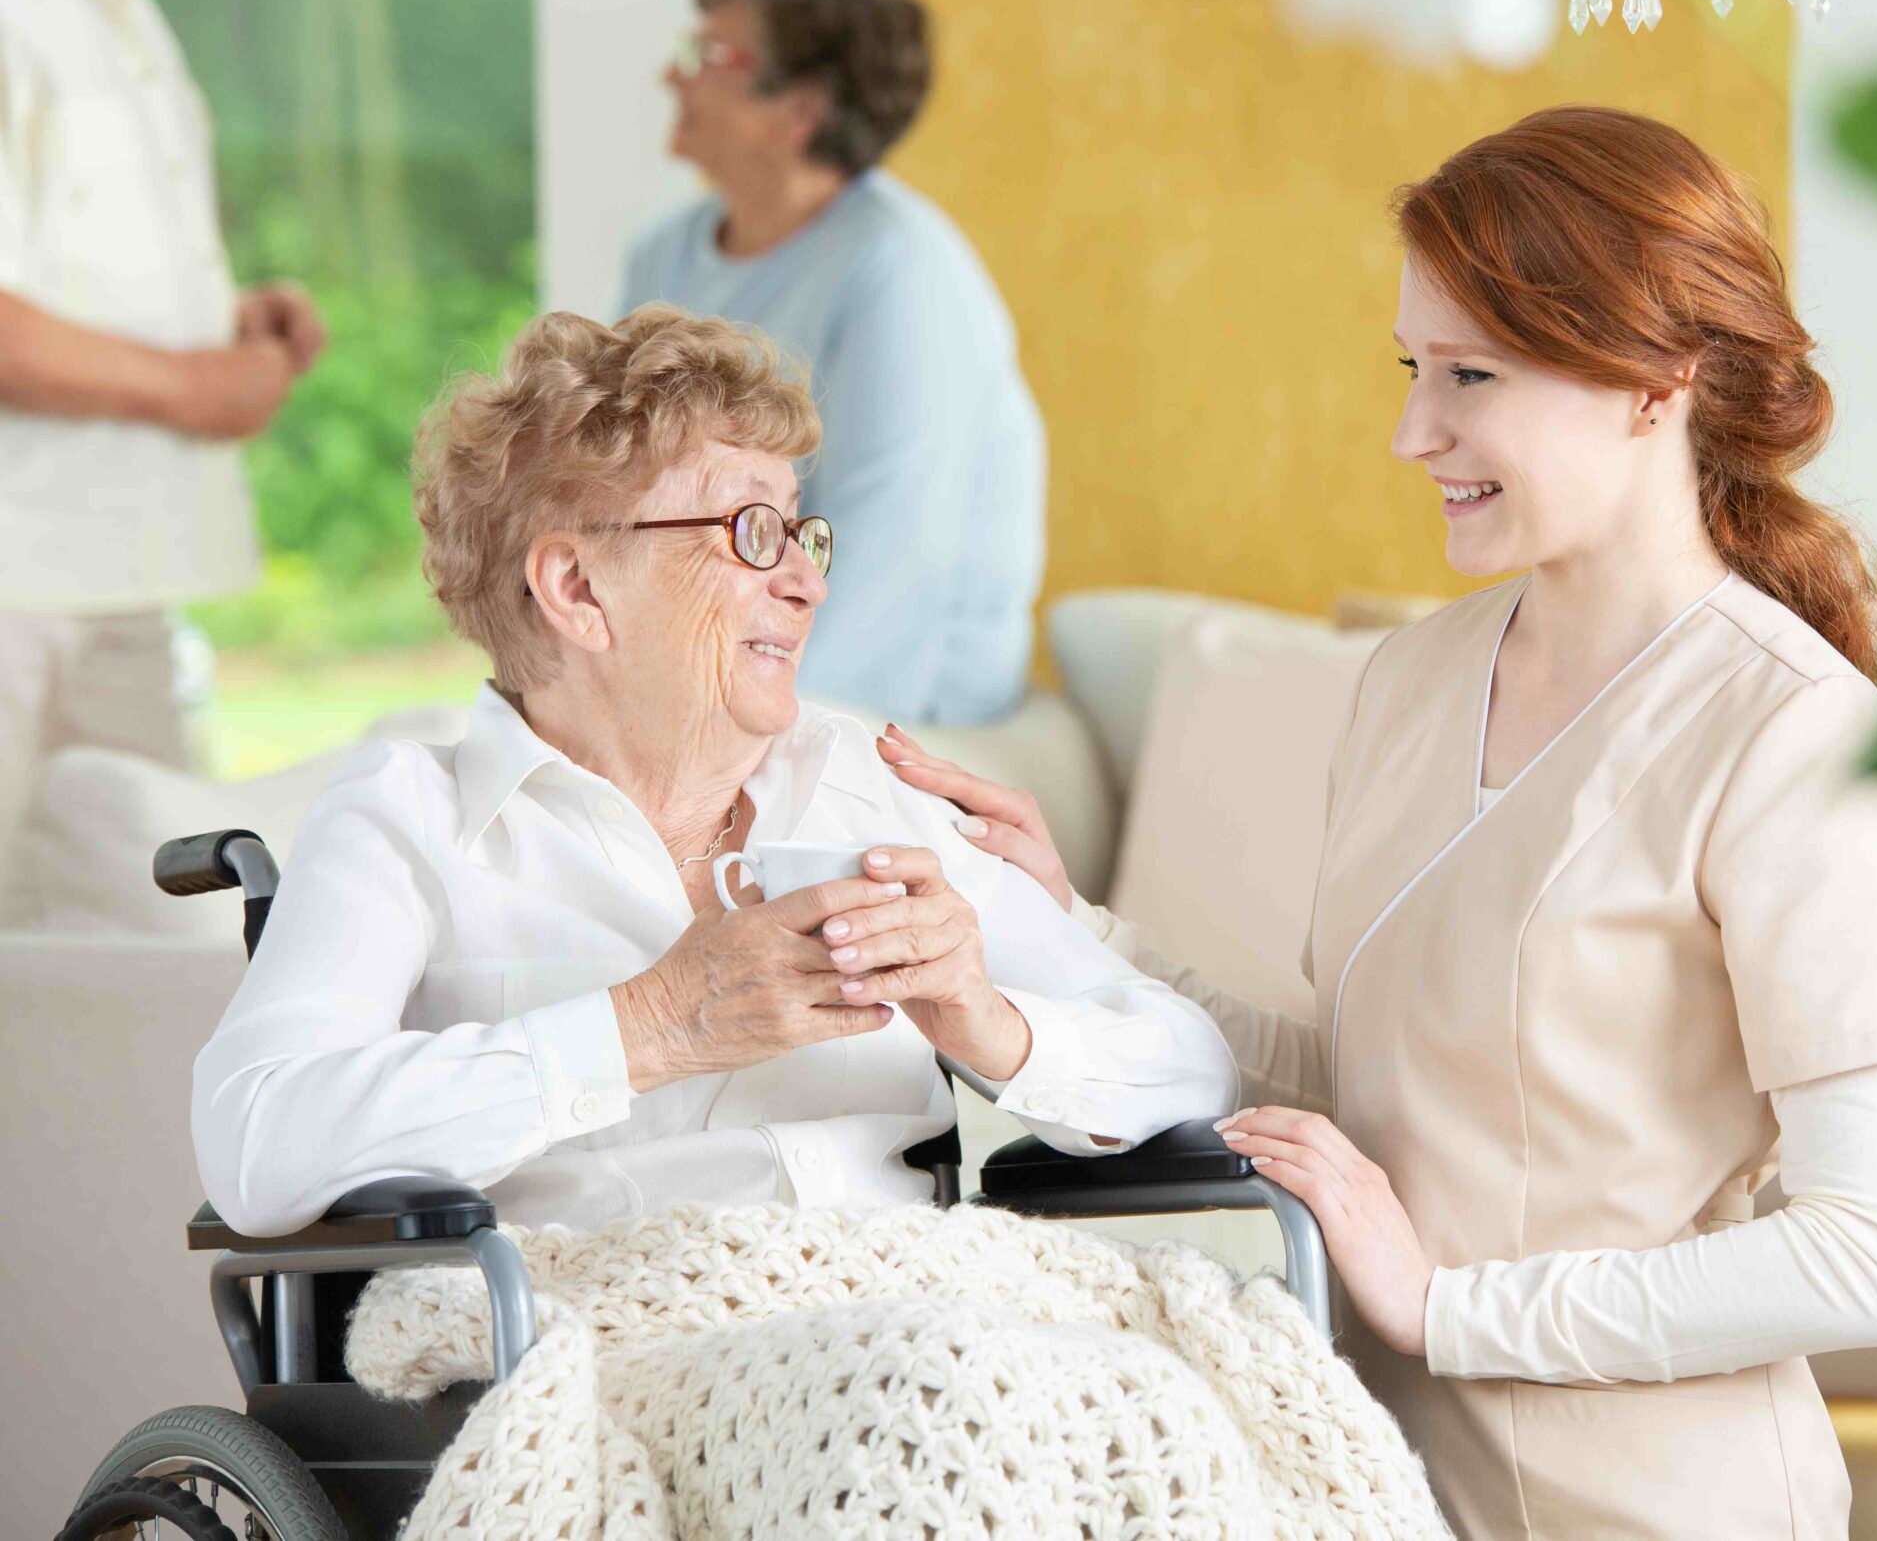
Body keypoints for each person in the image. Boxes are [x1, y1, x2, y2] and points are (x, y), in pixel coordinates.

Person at [880, 108, 1877, 1539]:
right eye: (1413, 367)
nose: (1411, 431)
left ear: (1657, 383)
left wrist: (1451, 1307)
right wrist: (1055, 929)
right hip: (1375, 1481)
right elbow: (1369, 1095)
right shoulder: (1413, 680)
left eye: (1472, 374)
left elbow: (1875, 1256)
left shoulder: (1795, 733)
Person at [191, 308, 1234, 1237]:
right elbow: (256, 1142)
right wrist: (646, 1028)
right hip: (599, 1351)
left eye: (803, 533)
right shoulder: (410, 819)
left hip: (914, 1310)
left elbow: (1193, 1063)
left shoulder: (875, 798)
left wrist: (985, 1019)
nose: (808, 582)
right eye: (753, 532)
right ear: (577, 586)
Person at [0, 0, 324, 897]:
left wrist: (216, 323)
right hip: (20, 586)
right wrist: (196, 387)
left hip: (113, 586)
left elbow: (54, 270)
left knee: (155, 937)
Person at [622, 0, 1044, 728]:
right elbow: (628, 496)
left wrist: (748, 742)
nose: (673, 76)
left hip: (903, 718)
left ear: (801, 110)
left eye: (708, 53)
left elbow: (893, 570)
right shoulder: (663, 255)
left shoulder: (902, 271)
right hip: (716, 688)